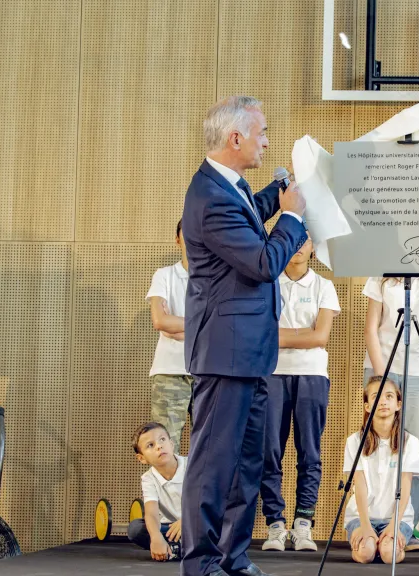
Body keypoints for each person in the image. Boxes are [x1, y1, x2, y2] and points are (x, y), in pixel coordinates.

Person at [180, 95, 308, 576]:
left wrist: (275, 197)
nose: (268, 141)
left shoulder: (225, 187)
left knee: (247, 465)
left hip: (249, 354)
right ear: (236, 138)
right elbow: (262, 262)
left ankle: (232, 556)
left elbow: (250, 218)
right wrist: (292, 218)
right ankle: (201, 564)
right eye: (262, 132)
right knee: (214, 467)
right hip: (225, 354)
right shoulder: (210, 196)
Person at [260, 233, 341, 553]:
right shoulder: (267, 283)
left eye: (303, 241)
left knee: (309, 452)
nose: (297, 247)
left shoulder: (324, 286)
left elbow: (320, 337)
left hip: (312, 376)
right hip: (271, 374)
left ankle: (303, 524)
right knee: (269, 453)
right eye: (291, 240)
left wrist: (280, 334)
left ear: (312, 246)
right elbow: (261, 332)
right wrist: (298, 334)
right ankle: (275, 525)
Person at [363, 273, 419, 552]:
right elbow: (371, 329)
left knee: (413, 453)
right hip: (382, 368)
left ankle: (407, 529)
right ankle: (371, 524)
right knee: (375, 449)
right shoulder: (381, 276)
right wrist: (381, 380)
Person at [344, 376, 419, 565]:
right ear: (367, 406)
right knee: (366, 554)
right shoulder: (354, 441)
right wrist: (365, 526)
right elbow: (360, 486)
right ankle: (371, 545)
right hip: (361, 516)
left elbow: (405, 487)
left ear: (398, 404)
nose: (383, 401)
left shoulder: (409, 442)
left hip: (397, 518)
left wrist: (394, 525)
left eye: (389, 396)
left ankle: (386, 545)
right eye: (376, 397)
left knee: (389, 554)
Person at [146, 219, 193, 454]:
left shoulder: (217, 279)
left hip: (209, 372)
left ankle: (198, 494)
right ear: (177, 239)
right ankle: (162, 493)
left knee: (209, 451)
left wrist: (178, 326)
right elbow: (160, 321)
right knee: (163, 448)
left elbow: (222, 327)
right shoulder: (164, 275)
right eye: (188, 232)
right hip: (169, 372)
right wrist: (203, 327)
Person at [129, 423, 185, 562]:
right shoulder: (148, 479)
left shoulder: (192, 466)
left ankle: (175, 550)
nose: (159, 446)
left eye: (162, 440)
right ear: (142, 458)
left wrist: (188, 521)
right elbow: (151, 513)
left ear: (171, 444)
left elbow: (209, 502)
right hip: (171, 529)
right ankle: (181, 549)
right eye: (150, 445)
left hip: (197, 522)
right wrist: (156, 537)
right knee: (136, 529)